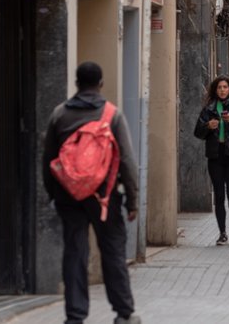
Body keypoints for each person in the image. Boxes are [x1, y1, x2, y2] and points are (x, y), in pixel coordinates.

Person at [42, 62, 140, 324]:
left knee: (74, 252)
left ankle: (75, 315)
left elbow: (48, 159)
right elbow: (128, 162)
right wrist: (132, 201)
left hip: (69, 196)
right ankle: (123, 312)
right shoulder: (112, 115)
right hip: (104, 197)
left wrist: (55, 194)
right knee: (113, 252)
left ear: (76, 82)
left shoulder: (59, 115)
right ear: (101, 83)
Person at [194, 75, 229, 244]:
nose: (222, 90)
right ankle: (222, 233)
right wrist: (207, 126)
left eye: (225, 87)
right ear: (215, 90)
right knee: (219, 196)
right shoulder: (208, 109)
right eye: (219, 87)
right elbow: (197, 132)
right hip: (215, 156)